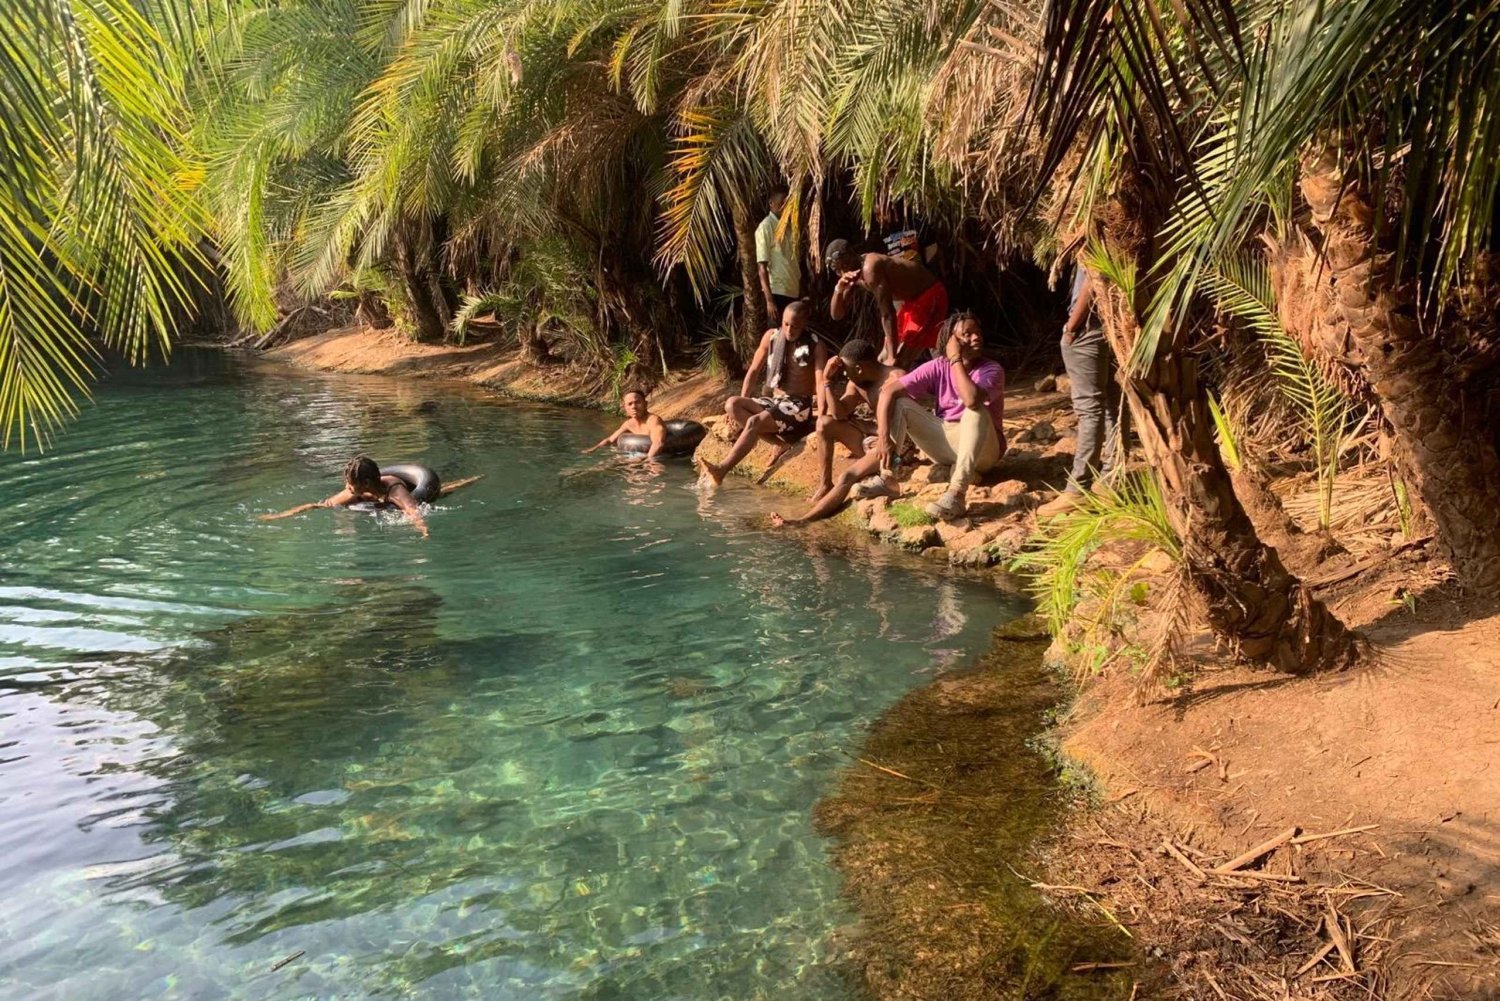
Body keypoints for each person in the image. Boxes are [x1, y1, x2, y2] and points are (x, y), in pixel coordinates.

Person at [874, 311, 1006, 520]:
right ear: (950, 340)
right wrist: (882, 438)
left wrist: (955, 359)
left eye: (978, 332)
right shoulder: (938, 366)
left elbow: (971, 399)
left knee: (976, 411)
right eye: (967, 334)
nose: (976, 337)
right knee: (901, 404)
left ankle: (957, 494)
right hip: (945, 443)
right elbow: (888, 392)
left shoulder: (992, 370)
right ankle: (887, 478)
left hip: (982, 451)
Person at [769, 339, 900, 527]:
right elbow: (838, 413)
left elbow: (909, 422)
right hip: (872, 440)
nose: (844, 374)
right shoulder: (857, 383)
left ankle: (801, 522)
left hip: (892, 445)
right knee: (824, 423)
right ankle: (825, 485)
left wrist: (872, 428)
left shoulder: (896, 378)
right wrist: (827, 382)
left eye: (846, 370)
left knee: (847, 477)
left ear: (859, 368)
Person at [698, 300, 826, 487]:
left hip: (798, 406)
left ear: (805, 324)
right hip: (776, 401)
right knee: (733, 404)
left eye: (795, 326)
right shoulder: (771, 337)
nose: (789, 330)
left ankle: (721, 470)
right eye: (786, 324)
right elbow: (753, 371)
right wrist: (744, 397)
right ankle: (780, 443)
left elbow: (821, 382)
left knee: (753, 422)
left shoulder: (816, 345)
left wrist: (822, 414)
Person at [1037, 261, 1119, 518]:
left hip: (1088, 329)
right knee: (1112, 406)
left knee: (1090, 409)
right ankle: (1110, 480)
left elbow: (1094, 277)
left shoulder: (1094, 228)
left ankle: (1078, 489)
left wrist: (1071, 327)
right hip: (1113, 326)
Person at [259, 456, 479, 537]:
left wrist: (423, 531)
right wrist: (281, 516)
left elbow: (413, 510)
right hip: (377, 498)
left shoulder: (395, 490)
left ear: (366, 483)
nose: (347, 486)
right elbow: (319, 505)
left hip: (415, 490)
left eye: (351, 483)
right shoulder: (356, 493)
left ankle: (473, 479)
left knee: (443, 493)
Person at [826, 238, 947, 371]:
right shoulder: (851, 273)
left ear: (852, 254)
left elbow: (888, 314)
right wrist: (838, 289)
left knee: (899, 360)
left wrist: (892, 355)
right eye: (838, 270)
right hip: (910, 302)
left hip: (929, 295)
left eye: (845, 265)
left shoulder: (870, 268)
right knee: (882, 360)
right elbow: (837, 315)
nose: (843, 271)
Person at [755, 186, 800, 327]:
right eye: (781, 203)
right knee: (776, 338)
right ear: (771, 203)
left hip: (793, 290)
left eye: (787, 204)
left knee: (793, 339)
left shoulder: (790, 227)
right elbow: (762, 267)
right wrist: (769, 300)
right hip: (777, 292)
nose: (784, 207)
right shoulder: (766, 227)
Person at [582, 388, 666, 459]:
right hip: (638, 456)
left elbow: (658, 443)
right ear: (625, 408)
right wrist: (594, 449)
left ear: (645, 404)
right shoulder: (628, 424)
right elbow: (610, 440)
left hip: (657, 458)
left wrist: (647, 461)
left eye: (638, 402)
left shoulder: (653, 420)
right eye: (630, 404)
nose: (634, 407)